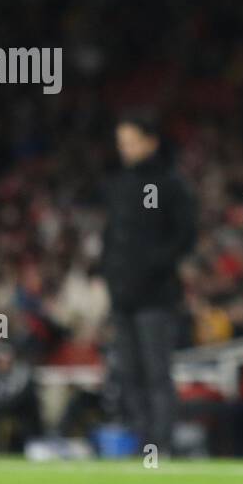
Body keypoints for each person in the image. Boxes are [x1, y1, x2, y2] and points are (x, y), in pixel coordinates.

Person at [101, 108, 197, 458]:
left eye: (130, 141)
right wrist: (110, 277)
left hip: (156, 295)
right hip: (122, 295)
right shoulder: (118, 184)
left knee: (156, 372)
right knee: (129, 372)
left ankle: (162, 444)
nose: (124, 148)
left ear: (150, 142)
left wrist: (153, 266)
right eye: (121, 142)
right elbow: (112, 238)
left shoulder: (171, 184)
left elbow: (185, 235)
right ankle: (142, 441)